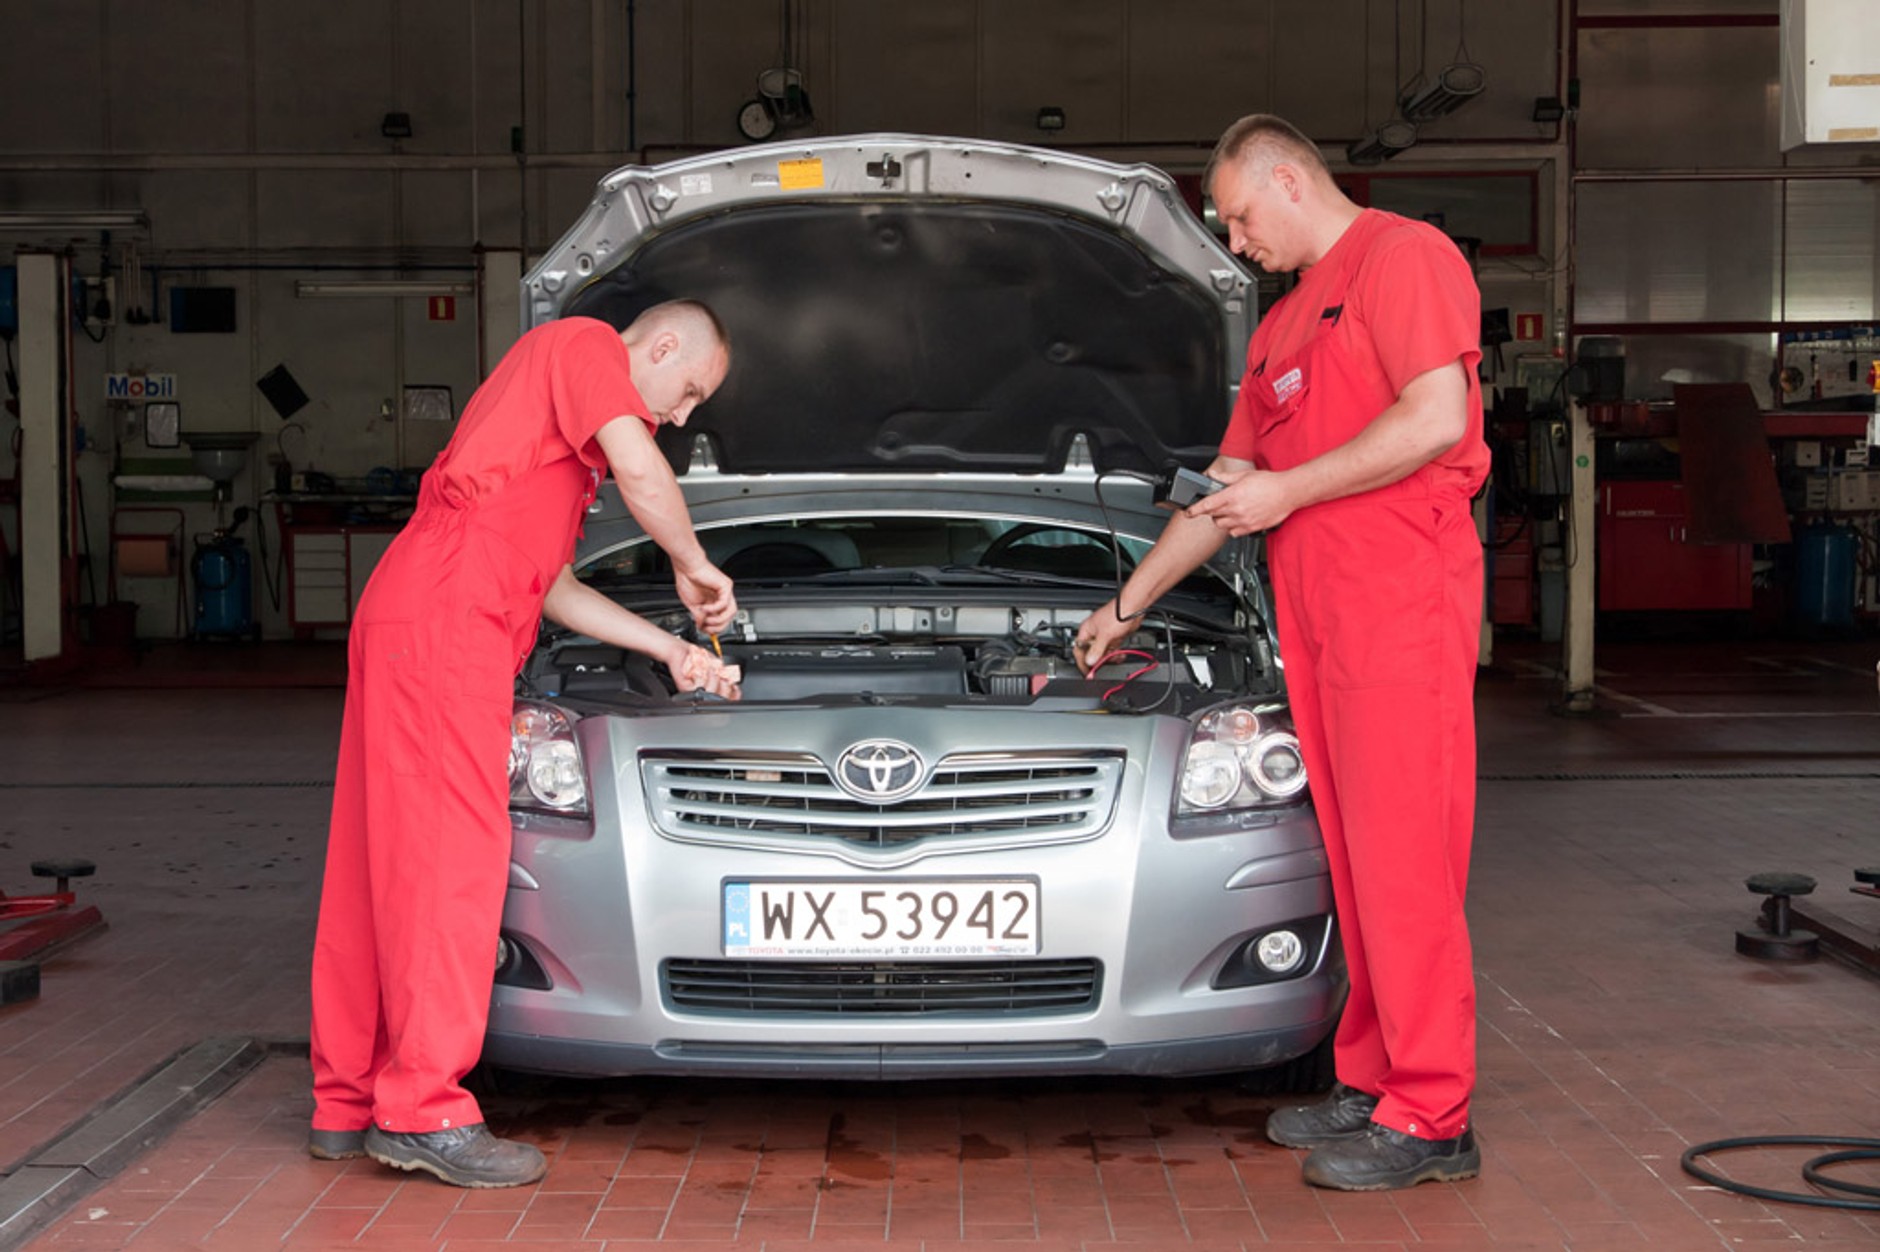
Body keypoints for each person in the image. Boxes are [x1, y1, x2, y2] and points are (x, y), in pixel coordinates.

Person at [1073, 115, 1488, 1191]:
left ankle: (1432, 1115)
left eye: (1240, 215)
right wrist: (1126, 603)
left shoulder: (1403, 258)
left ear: (1291, 180)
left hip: (1397, 600)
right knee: (1353, 857)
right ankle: (1371, 1078)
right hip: (1316, 617)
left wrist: (1289, 489)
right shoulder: (1282, 324)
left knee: (1406, 856)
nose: (1235, 240)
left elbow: (1435, 417)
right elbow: (1225, 489)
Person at [307, 301, 742, 1188]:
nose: (681, 414)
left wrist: (669, 649)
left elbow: (552, 587)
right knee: (452, 862)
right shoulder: (582, 345)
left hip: (421, 612)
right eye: (690, 390)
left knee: (377, 861)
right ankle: (424, 1110)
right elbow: (643, 468)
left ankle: (346, 1102)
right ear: (662, 346)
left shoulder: (556, 441)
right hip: (448, 623)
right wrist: (693, 564)